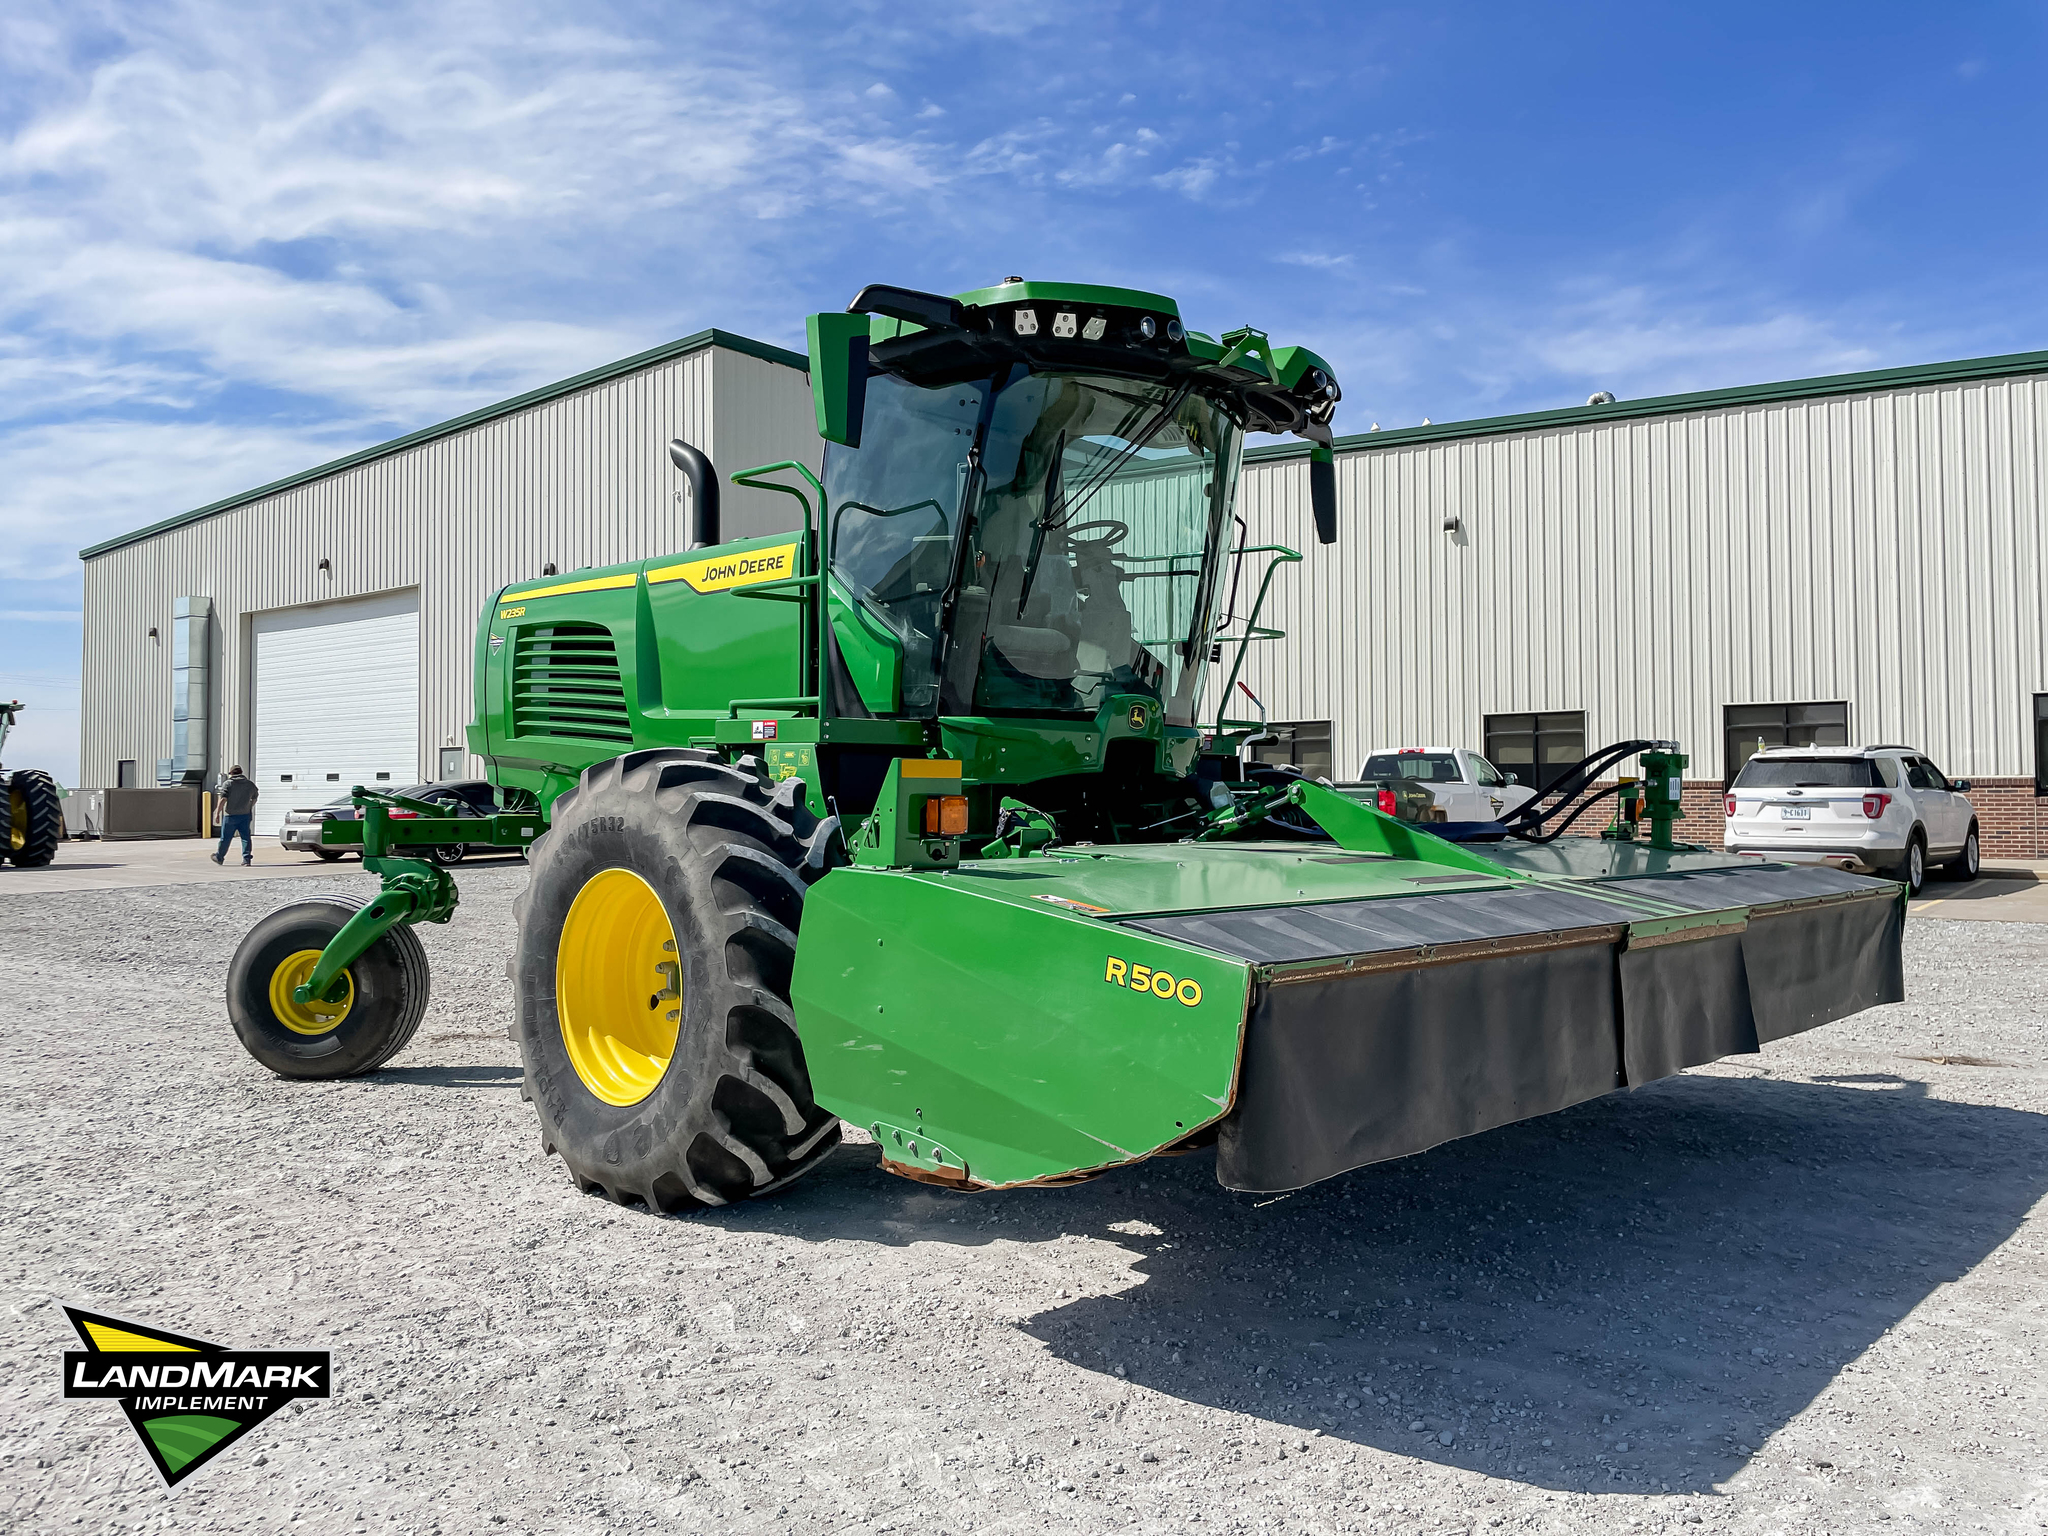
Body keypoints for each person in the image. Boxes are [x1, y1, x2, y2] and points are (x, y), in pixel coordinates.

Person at [212, 766, 259, 866]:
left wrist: (217, 813)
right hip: (245, 815)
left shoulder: (228, 784)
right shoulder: (250, 784)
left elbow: (223, 799)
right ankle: (246, 859)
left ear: (231, 773)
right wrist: (249, 806)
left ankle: (219, 857)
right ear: (241, 772)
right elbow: (255, 798)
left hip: (230, 815)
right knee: (245, 837)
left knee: (225, 838)